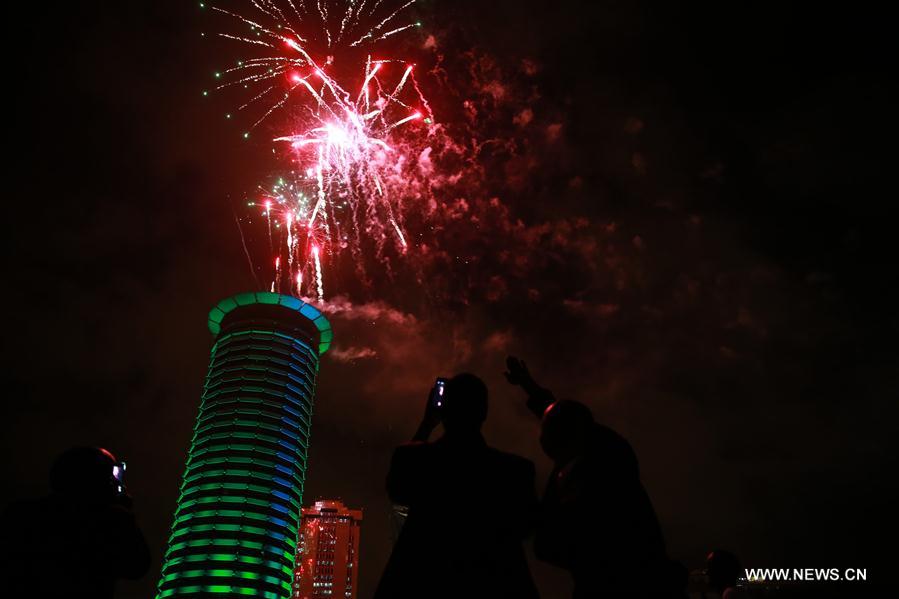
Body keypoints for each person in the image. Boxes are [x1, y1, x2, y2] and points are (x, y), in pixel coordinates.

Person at [505, 357, 686, 598]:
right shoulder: (602, 450)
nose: (542, 437)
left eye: (547, 432)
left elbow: (554, 545)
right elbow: (562, 415)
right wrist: (529, 385)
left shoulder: (591, 479)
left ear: (557, 440)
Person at [374, 373, 540, 599]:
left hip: (422, 582)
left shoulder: (414, 461)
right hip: (497, 585)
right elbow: (527, 527)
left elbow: (398, 489)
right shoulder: (515, 471)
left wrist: (427, 424)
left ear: (443, 409)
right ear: (484, 412)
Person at [0, 446, 151, 599]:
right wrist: (124, 516)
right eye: (112, 474)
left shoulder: (22, 513)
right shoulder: (105, 522)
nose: (118, 482)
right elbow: (137, 566)